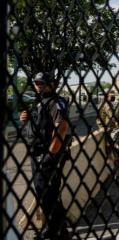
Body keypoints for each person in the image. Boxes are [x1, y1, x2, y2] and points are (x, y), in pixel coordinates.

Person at [20, 72, 71, 240]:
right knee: (46, 193)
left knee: (48, 192)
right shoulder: (39, 101)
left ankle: (58, 232)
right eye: (36, 83)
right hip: (37, 152)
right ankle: (57, 229)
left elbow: (61, 128)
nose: (38, 85)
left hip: (48, 154)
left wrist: (50, 155)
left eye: (42, 83)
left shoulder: (57, 102)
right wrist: (24, 119)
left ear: (53, 84)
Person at [96, 90, 119, 157]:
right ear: (108, 96)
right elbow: (112, 116)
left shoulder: (103, 103)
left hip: (104, 124)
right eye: (112, 96)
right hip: (105, 126)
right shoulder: (106, 104)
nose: (114, 97)